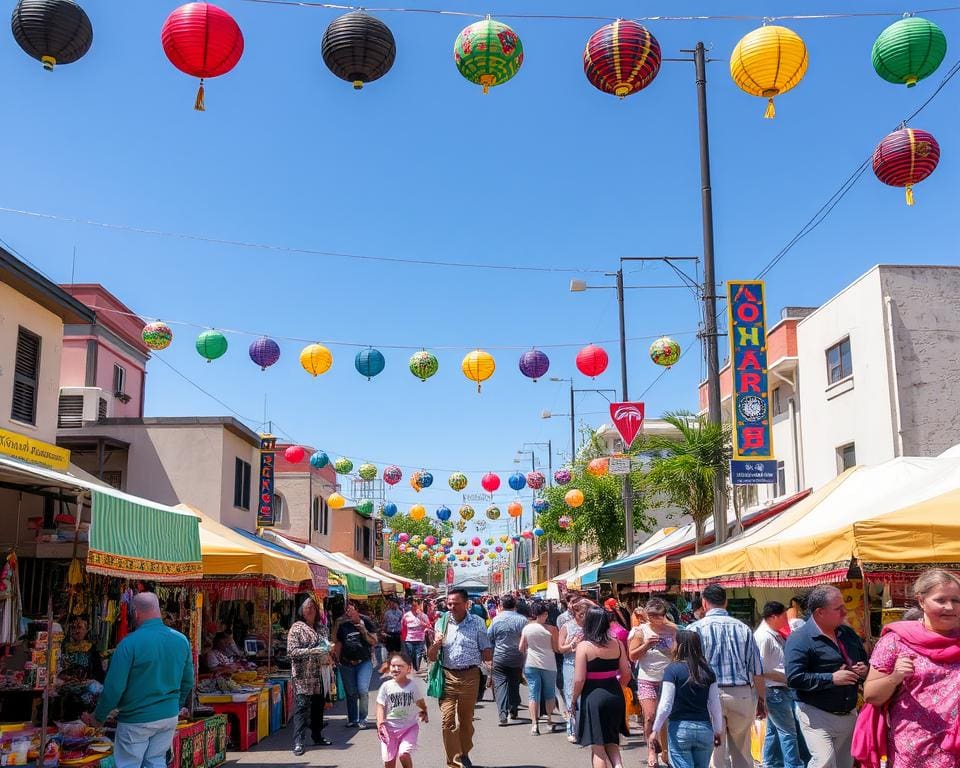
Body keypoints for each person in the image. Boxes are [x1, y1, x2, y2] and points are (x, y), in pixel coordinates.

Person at [83, 592, 193, 768]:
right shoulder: (181, 640)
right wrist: (175, 706)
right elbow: (188, 681)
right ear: (158, 610)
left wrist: (99, 718)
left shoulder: (128, 643)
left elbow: (114, 688)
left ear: (135, 612)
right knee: (156, 761)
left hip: (136, 719)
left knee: (129, 764)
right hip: (168, 716)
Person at [863, 569, 960, 768]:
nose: (950, 607)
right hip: (913, 751)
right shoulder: (896, 640)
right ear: (921, 601)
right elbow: (871, 695)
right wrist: (895, 677)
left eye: (956, 600)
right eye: (941, 600)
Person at [785, 585, 868, 768]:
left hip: (848, 712)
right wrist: (831, 678)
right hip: (816, 712)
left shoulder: (847, 634)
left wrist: (864, 670)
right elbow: (794, 678)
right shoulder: (800, 639)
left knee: (845, 764)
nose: (845, 612)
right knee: (824, 762)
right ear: (820, 612)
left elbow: (863, 660)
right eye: (838, 608)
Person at [687, 584, 765, 768]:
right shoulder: (744, 629)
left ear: (704, 603)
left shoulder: (694, 629)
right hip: (742, 693)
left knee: (716, 750)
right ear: (726, 602)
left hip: (708, 695)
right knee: (743, 749)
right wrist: (762, 698)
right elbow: (757, 669)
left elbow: (688, 669)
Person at [426, 588, 492, 768]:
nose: (451, 607)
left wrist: (491, 669)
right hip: (448, 676)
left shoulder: (478, 623)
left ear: (466, 604)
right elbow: (431, 657)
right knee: (447, 721)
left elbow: (486, 650)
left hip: (470, 676)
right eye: (449, 604)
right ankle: (454, 761)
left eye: (455, 604)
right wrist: (436, 643)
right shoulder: (442, 622)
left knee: (466, 720)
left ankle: (464, 752)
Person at [650, 630, 724, 768]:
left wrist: (655, 730)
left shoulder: (672, 670)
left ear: (680, 645)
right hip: (704, 727)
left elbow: (666, 704)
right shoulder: (708, 671)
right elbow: (715, 704)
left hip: (680, 728)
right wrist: (718, 730)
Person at [570, 606, 632, 768]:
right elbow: (626, 673)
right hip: (615, 694)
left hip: (593, 697)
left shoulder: (584, 647)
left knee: (598, 747)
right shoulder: (618, 644)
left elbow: (579, 680)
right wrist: (618, 688)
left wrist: (574, 699)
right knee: (612, 742)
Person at [631, 597, 678, 768]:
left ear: (664, 615)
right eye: (651, 615)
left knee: (667, 717)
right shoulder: (640, 631)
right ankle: (651, 750)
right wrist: (646, 645)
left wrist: (670, 649)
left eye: (658, 615)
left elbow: (678, 652)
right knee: (650, 716)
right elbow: (632, 655)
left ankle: (665, 751)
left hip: (669, 678)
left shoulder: (673, 630)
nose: (655, 619)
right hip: (647, 678)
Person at [754, 601, 803, 768]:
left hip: (780, 688)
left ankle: (769, 762)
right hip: (773, 689)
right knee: (788, 732)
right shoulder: (764, 637)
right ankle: (793, 765)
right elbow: (758, 669)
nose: (787, 620)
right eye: (784, 616)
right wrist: (784, 678)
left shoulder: (774, 634)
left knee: (774, 731)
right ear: (773, 617)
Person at [287, 597, 333, 755]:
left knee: (318, 708)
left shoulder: (322, 629)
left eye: (313, 606)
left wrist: (328, 652)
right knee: (301, 708)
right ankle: (299, 741)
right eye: (307, 607)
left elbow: (326, 647)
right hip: (303, 676)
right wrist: (312, 651)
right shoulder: (296, 628)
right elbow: (292, 651)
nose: (311, 609)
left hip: (320, 674)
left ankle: (317, 736)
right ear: (302, 610)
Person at [376, 652, 428, 768]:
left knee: (403, 754)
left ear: (408, 669)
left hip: (408, 728)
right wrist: (380, 724)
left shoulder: (412, 686)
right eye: (393, 666)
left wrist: (425, 711)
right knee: (389, 761)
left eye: (400, 666)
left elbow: (420, 702)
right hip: (389, 730)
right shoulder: (386, 686)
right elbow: (380, 706)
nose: (396, 668)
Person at [519, 599, 561, 735]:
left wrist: (530, 650)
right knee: (549, 694)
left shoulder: (527, 628)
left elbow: (521, 647)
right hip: (549, 664)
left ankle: (534, 724)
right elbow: (556, 648)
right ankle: (548, 719)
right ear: (544, 614)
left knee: (533, 693)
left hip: (531, 663)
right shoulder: (552, 629)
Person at [334, 601, 378, 728]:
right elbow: (337, 642)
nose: (348, 613)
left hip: (364, 662)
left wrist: (363, 631)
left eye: (350, 610)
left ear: (356, 610)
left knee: (362, 690)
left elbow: (374, 641)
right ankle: (353, 718)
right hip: (346, 662)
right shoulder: (342, 624)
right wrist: (336, 659)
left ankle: (363, 718)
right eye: (346, 610)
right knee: (351, 692)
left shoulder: (366, 621)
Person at [486, 594, 527, 725]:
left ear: (501, 605)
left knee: (500, 684)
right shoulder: (522, 620)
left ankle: (502, 714)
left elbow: (489, 637)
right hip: (517, 657)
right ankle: (513, 708)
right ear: (514, 605)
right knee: (514, 683)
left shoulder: (496, 620)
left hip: (500, 656)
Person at [61, 618, 105, 719]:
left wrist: (91, 682)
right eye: (73, 628)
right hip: (68, 690)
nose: (77, 631)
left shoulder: (91, 648)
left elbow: (99, 672)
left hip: (87, 692)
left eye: (80, 628)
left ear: (86, 630)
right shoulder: (64, 648)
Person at [559, 599, 587, 743]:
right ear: (575, 614)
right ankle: (572, 728)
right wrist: (572, 644)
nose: (584, 616)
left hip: (587, 665)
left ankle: (583, 728)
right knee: (571, 696)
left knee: (585, 697)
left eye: (586, 613)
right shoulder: (567, 627)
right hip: (570, 664)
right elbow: (560, 648)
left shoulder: (590, 627)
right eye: (581, 613)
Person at [402, 600, 432, 673]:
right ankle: (413, 666)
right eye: (412, 606)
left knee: (418, 654)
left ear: (418, 606)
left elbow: (428, 625)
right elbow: (403, 626)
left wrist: (424, 626)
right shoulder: (406, 615)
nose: (413, 607)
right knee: (411, 653)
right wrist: (403, 637)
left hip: (420, 638)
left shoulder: (423, 615)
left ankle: (416, 667)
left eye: (415, 606)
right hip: (409, 639)